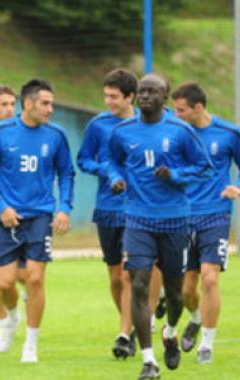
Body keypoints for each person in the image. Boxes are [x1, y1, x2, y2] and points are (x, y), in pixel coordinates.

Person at [107, 74, 213, 379]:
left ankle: (170, 331)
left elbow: (205, 167)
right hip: (137, 218)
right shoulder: (123, 131)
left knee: (175, 293)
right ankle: (149, 361)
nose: (145, 96)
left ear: (165, 98)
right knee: (138, 283)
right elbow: (112, 161)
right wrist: (115, 179)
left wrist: (176, 176)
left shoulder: (180, 130)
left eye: (152, 91)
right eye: (142, 91)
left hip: (175, 220)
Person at [0, 78, 75, 363]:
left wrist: (64, 209)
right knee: (5, 284)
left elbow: (67, 174)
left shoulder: (56, 136)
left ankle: (31, 344)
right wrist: (1, 207)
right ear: (29, 103)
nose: (51, 109)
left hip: (40, 216)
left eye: (52, 103)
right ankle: (12, 318)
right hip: (7, 218)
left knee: (35, 279)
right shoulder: (0, 133)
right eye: (45, 103)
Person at [172, 82, 240, 364]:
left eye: (181, 109)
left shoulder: (229, 133)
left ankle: (207, 344)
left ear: (198, 107)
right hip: (183, 217)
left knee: (210, 279)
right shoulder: (175, 133)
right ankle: (195, 319)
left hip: (216, 215)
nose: (177, 114)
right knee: (186, 289)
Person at [77, 68, 138, 359]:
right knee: (115, 277)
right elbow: (84, 160)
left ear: (130, 97)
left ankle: (124, 333)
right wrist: (104, 170)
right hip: (107, 208)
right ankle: (131, 322)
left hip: (137, 209)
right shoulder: (98, 125)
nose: (109, 102)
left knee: (127, 274)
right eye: (106, 96)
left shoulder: (145, 124)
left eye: (114, 97)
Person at [0, 85, 28, 344]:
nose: (10, 109)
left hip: (20, 213)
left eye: (13, 104)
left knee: (25, 274)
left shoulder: (24, 135)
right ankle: (5, 320)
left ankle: (20, 302)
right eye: (3, 104)